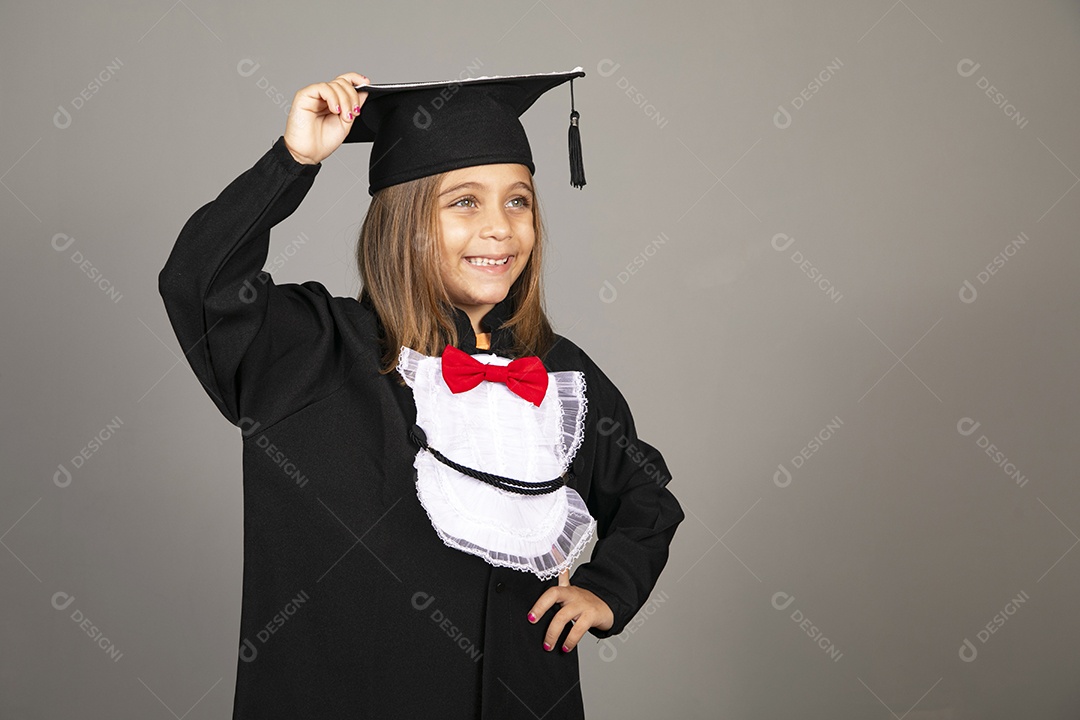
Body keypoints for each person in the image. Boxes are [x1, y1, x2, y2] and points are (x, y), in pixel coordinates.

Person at [158, 67, 684, 720]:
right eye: (465, 201)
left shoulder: (559, 373)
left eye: (517, 200)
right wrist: (291, 161)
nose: (500, 227)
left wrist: (609, 588)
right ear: (403, 220)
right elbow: (196, 281)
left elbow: (646, 494)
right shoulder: (313, 350)